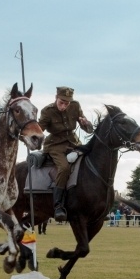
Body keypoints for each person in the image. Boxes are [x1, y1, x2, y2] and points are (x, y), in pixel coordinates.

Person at [39, 86, 94, 222]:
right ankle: (58, 206)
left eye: (67, 103)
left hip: (73, 142)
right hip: (55, 145)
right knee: (64, 168)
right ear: (56, 98)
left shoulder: (75, 106)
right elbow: (39, 129)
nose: (64, 106)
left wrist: (86, 124)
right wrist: (32, 135)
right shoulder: (47, 111)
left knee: (91, 160)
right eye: (61, 102)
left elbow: (88, 129)